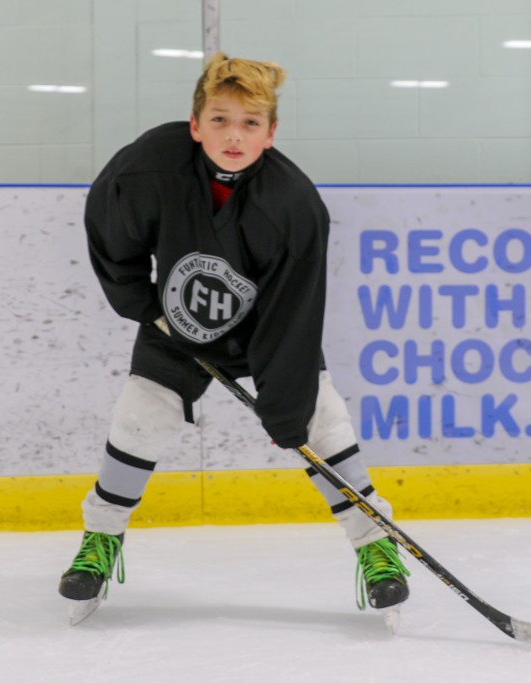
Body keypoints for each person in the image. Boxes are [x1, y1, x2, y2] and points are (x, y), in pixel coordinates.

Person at [59, 52, 409, 616]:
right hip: (173, 326)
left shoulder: (295, 208)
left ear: (272, 134)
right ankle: (101, 538)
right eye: (219, 119)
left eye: (250, 122)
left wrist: (285, 409)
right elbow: (110, 228)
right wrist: (142, 305)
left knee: (324, 422)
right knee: (138, 419)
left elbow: (294, 317)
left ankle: (377, 545)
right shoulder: (148, 169)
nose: (233, 134)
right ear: (195, 124)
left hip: (264, 331)